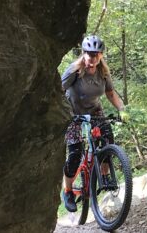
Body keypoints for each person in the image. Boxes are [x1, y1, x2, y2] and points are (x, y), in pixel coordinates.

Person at [61, 35, 124, 212]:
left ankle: (105, 178)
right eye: (89, 54)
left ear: (101, 55)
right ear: (84, 53)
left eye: (97, 54)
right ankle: (68, 191)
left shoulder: (103, 72)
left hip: (95, 112)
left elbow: (111, 93)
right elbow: (58, 89)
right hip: (73, 113)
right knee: (75, 154)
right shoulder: (74, 70)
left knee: (108, 141)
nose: (93, 58)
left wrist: (122, 109)